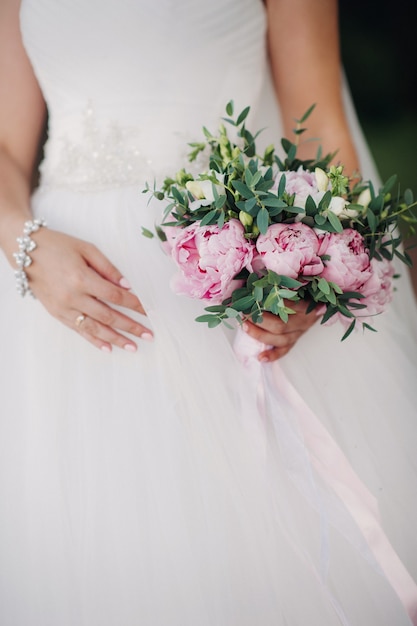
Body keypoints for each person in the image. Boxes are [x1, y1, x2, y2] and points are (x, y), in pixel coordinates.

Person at [0, 0, 416, 624]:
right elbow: (6, 143)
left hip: (229, 278)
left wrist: (317, 270)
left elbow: (320, 124)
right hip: (61, 294)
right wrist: (24, 244)